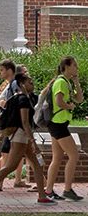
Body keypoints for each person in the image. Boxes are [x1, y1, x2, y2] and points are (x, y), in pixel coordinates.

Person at [0, 73, 57, 206]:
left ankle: (42, 196)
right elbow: (25, 122)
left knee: (37, 165)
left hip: (20, 136)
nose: (32, 84)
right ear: (22, 84)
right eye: (29, 82)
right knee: (11, 166)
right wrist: (33, 142)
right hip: (21, 136)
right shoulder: (23, 100)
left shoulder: (19, 98)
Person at [45, 56, 84, 201]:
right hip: (58, 124)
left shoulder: (66, 82)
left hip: (58, 124)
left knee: (58, 157)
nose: (76, 68)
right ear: (66, 67)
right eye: (74, 65)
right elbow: (59, 101)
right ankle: (67, 189)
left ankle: (49, 190)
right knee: (74, 155)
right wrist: (69, 106)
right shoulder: (61, 82)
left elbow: (79, 99)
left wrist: (76, 82)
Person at [0, 61, 27, 191]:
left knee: (9, 155)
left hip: (14, 126)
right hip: (14, 126)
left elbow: (13, 103)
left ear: (9, 70)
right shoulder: (12, 85)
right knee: (9, 156)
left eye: (1, 70)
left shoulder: (13, 84)